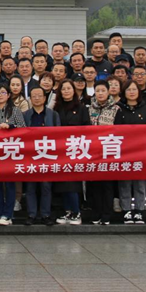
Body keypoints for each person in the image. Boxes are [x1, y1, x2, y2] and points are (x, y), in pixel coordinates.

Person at [114, 80, 146, 224]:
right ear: (124, 92)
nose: (131, 92)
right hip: (124, 151)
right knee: (125, 182)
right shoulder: (118, 109)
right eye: (129, 89)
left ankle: (139, 210)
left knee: (140, 182)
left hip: (141, 151)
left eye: (134, 89)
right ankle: (126, 210)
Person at [0, 82, 26, 226]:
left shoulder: (15, 110)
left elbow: (23, 129)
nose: (0, 95)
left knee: (10, 184)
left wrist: (10, 127)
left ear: (9, 95)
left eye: (3, 93)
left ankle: (8, 214)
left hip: (10, 151)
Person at [21, 87, 59, 226]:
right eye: (34, 96)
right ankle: (31, 214)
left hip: (47, 156)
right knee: (30, 187)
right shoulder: (25, 115)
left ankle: (45, 214)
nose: (36, 98)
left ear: (44, 98)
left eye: (39, 96)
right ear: (30, 99)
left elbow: (60, 135)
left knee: (46, 186)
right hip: (30, 156)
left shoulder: (53, 115)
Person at [51, 82, 86, 225]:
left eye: (69, 88)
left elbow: (87, 128)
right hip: (59, 150)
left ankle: (76, 212)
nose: (66, 91)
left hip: (75, 149)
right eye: (63, 89)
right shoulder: (56, 108)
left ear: (74, 90)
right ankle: (67, 211)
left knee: (72, 183)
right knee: (62, 184)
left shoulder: (81, 108)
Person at [87, 81, 119, 225]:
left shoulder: (116, 108)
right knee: (95, 185)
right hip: (93, 152)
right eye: (98, 91)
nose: (100, 93)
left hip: (109, 150)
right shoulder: (88, 108)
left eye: (103, 91)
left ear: (108, 92)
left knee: (107, 185)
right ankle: (96, 213)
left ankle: (106, 214)